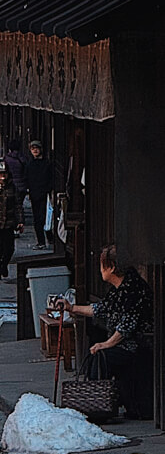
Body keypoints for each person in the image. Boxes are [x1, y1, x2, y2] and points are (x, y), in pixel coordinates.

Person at [58, 245, 153, 419]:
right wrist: (72, 308)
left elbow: (127, 326)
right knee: (98, 354)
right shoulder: (120, 289)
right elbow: (100, 308)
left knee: (101, 356)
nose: (100, 269)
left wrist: (106, 344)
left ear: (111, 267)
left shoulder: (132, 289)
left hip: (137, 345)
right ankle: (93, 402)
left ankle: (95, 404)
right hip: (125, 344)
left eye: (102, 265)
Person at [23, 141, 55, 248]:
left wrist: (49, 189)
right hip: (34, 194)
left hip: (45, 194)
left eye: (37, 148)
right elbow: (26, 178)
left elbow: (51, 178)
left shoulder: (47, 163)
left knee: (46, 218)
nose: (35, 150)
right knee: (37, 219)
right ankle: (41, 241)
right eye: (33, 148)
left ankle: (50, 239)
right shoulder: (29, 165)